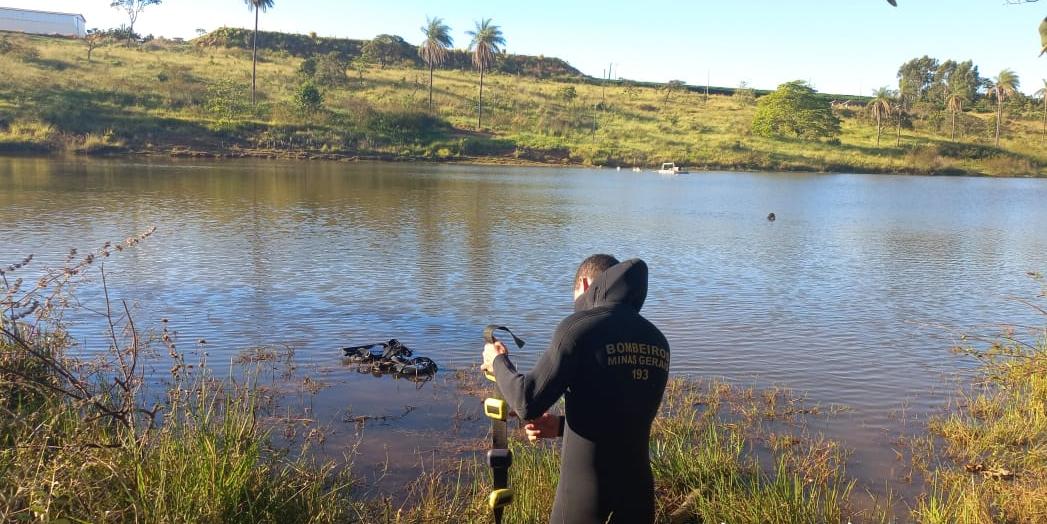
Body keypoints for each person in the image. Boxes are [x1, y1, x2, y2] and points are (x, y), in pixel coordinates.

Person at [481, 254, 670, 524]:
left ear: (584, 284)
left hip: (584, 502)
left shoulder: (579, 328)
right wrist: (559, 426)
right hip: (639, 499)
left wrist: (497, 361)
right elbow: (621, 421)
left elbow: (526, 401)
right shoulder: (657, 340)